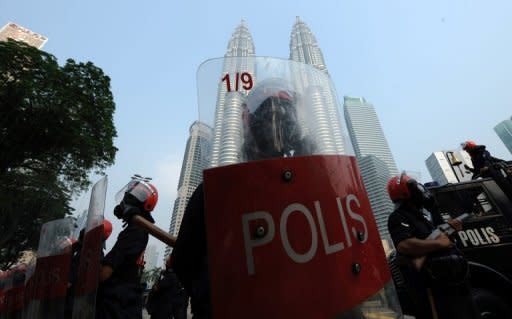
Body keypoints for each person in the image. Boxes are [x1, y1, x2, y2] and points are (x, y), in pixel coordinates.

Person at [172, 79, 309, 319]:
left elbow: (184, 261)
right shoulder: (216, 190)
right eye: (268, 110)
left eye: (281, 112)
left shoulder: (215, 190)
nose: (274, 119)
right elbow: (186, 261)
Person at [387, 173, 477, 319]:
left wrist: (449, 231)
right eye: (415, 187)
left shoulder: (422, 217)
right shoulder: (398, 216)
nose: (421, 191)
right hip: (433, 289)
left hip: (451, 282)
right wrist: (439, 242)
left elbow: (436, 241)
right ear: (406, 193)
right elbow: (404, 245)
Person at [96, 179, 158, 319]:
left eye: (135, 196)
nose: (127, 198)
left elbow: (104, 273)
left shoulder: (136, 231)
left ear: (145, 204)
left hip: (117, 305)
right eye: (129, 193)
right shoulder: (136, 229)